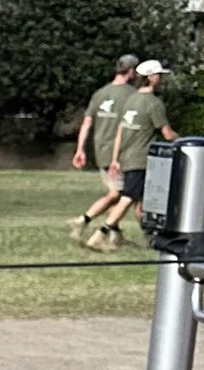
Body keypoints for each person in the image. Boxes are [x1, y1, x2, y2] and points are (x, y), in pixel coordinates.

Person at [77, 60, 179, 247]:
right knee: (127, 197)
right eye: (159, 75)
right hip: (141, 159)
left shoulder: (130, 100)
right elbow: (166, 133)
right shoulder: (154, 103)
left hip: (124, 157)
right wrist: (183, 140)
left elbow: (119, 132)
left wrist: (115, 159)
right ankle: (101, 234)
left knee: (138, 201)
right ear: (151, 78)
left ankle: (150, 239)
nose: (161, 79)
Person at [70, 52, 138, 244]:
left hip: (101, 150)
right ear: (131, 71)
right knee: (120, 194)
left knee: (117, 193)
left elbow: (87, 123)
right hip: (121, 152)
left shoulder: (100, 93)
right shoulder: (132, 95)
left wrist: (80, 149)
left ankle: (115, 235)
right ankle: (84, 220)